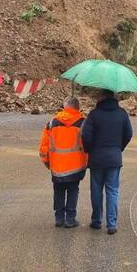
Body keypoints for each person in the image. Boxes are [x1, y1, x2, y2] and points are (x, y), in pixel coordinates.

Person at [80, 89, 132, 234]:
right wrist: (118, 148)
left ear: (102, 97)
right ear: (114, 97)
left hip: (96, 158)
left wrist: (89, 149)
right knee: (113, 190)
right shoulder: (122, 114)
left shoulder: (94, 114)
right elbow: (129, 134)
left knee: (96, 189)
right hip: (114, 157)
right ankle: (112, 224)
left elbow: (85, 135)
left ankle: (96, 221)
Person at [38, 97, 88, 228]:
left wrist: (47, 162)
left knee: (58, 191)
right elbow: (87, 145)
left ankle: (59, 218)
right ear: (78, 107)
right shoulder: (83, 123)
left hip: (57, 166)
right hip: (76, 166)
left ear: (65, 106)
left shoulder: (52, 122)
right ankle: (70, 219)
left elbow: (44, 146)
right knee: (73, 190)